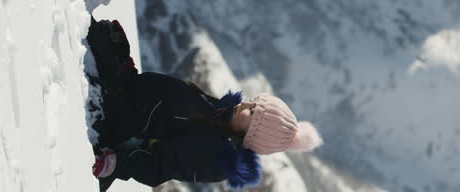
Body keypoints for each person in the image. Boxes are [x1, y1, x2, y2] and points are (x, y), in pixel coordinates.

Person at [86, 19, 322, 190]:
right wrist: (129, 73)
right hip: (127, 91)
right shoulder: (220, 113)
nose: (246, 104)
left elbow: (161, 165)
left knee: (84, 44)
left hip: (116, 121)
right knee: (90, 31)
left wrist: (116, 164)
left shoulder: (215, 155)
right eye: (254, 102)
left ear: (251, 135)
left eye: (252, 112)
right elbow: (167, 104)